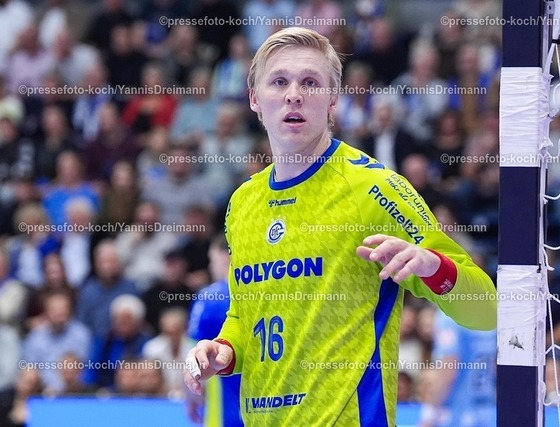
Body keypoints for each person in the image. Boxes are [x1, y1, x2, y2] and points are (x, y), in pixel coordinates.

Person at [184, 27, 496, 426]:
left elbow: (487, 312)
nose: (294, 94)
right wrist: (224, 352)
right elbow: (246, 317)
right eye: (279, 81)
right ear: (254, 99)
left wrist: (432, 266)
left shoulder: (375, 188)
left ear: (333, 100)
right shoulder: (243, 203)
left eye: (310, 82)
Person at [186, 235, 242, 426]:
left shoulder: (209, 297)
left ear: (226, 256)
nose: (211, 267)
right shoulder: (261, 292)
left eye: (212, 260)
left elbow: (193, 352)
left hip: (223, 406)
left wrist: (190, 394)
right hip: (264, 401)